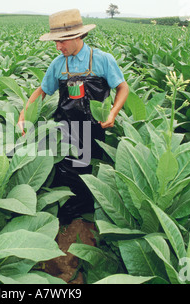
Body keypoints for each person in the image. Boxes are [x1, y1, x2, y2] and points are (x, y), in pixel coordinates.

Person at [18, 9, 129, 224]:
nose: (58, 47)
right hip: (65, 129)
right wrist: (25, 113)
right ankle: (66, 216)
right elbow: (42, 91)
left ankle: (89, 217)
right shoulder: (58, 64)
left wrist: (113, 113)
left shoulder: (102, 60)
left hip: (94, 129)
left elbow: (123, 88)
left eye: (61, 41)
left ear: (77, 36)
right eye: (56, 42)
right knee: (65, 171)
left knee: (90, 172)